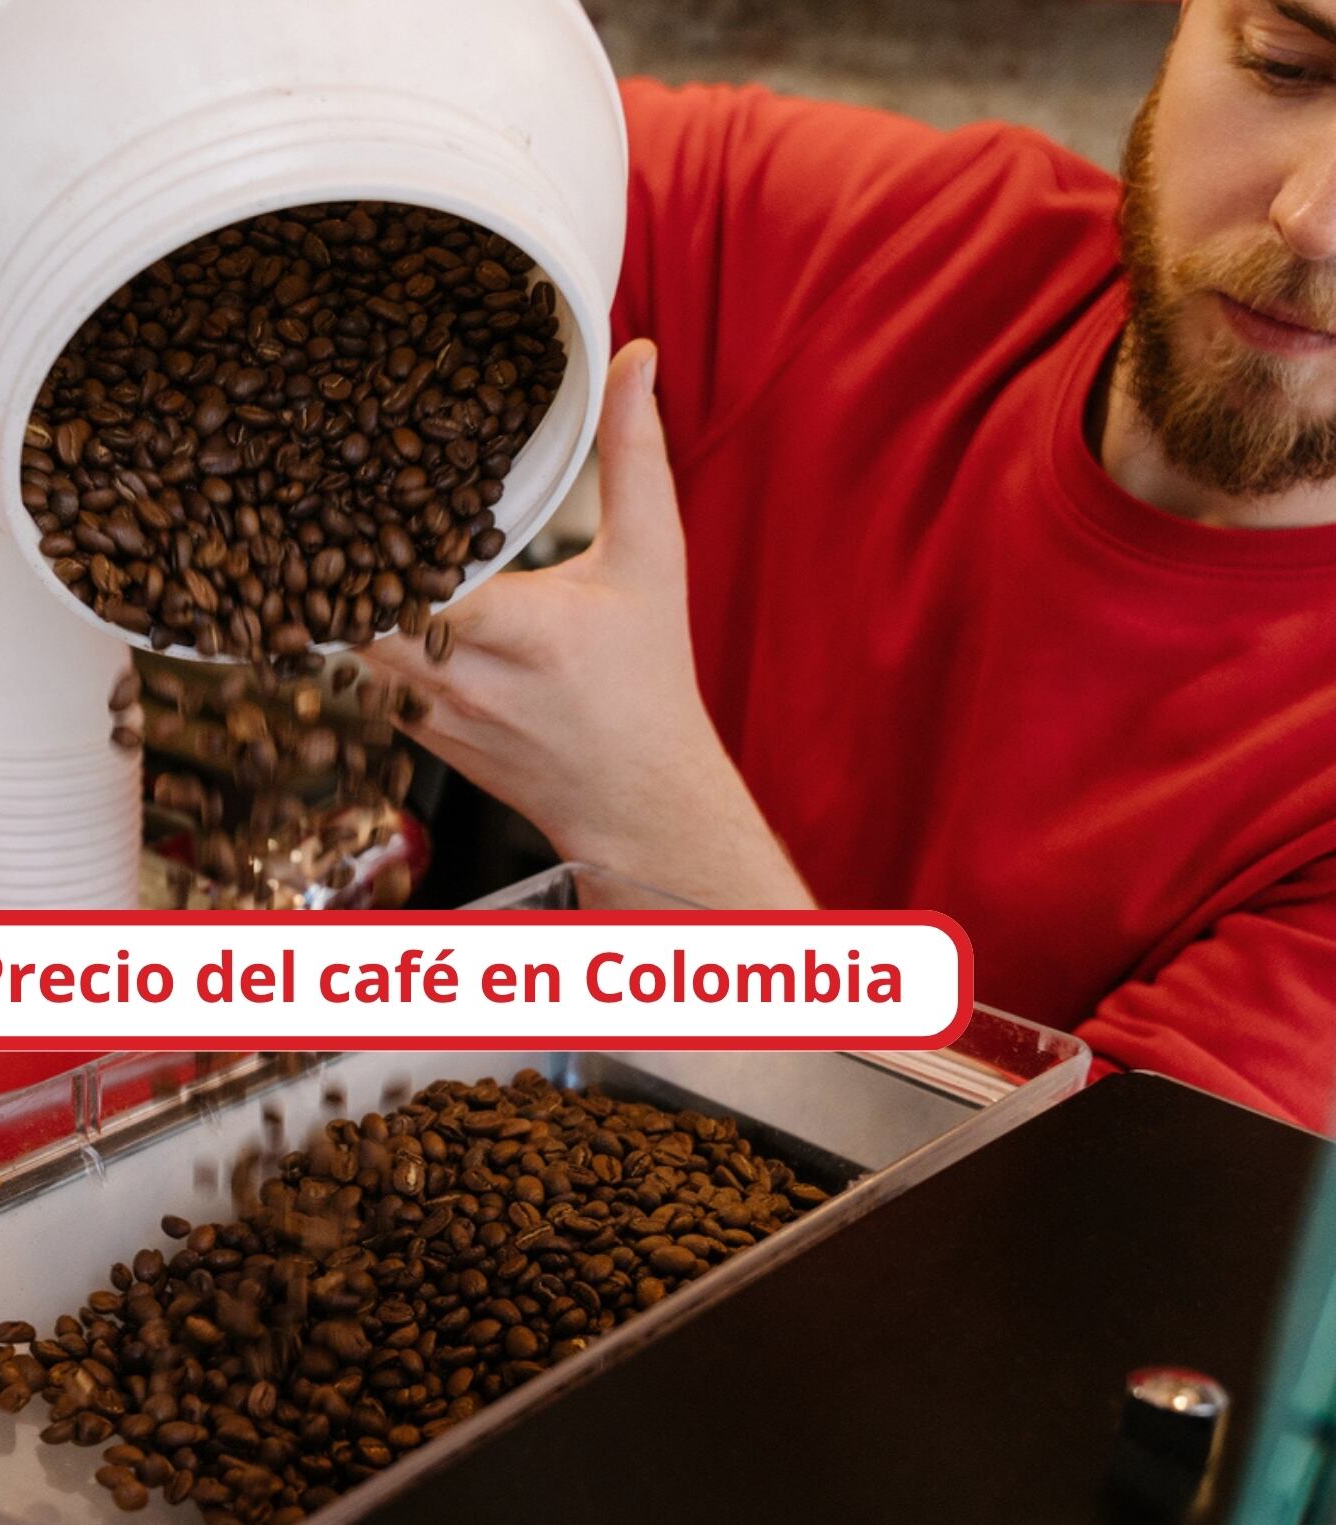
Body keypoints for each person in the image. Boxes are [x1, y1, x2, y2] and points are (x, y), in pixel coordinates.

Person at [366, 0, 1336, 1129]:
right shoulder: (907, 250)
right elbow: (430, 167)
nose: (1312, 218)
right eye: (1288, 65)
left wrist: (639, 814)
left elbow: (1068, 1269)